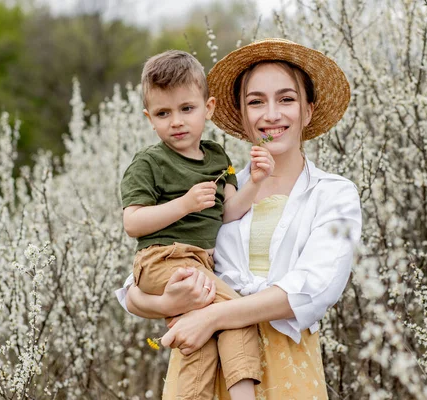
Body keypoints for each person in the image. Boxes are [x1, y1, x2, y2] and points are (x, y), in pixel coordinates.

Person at [116, 39, 362, 399]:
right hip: (203, 358)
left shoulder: (334, 194)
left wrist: (213, 315)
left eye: (287, 99)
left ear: (308, 111)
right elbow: (136, 286)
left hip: (286, 366)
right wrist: (167, 304)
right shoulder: (219, 185)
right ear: (242, 115)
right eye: (256, 102)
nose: (271, 114)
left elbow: (313, 288)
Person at [119, 50, 277, 400]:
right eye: (163, 113)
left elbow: (229, 212)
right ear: (149, 118)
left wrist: (256, 182)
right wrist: (184, 204)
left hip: (199, 264)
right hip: (164, 259)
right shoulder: (149, 163)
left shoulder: (219, 158)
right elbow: (133, 222)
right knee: (234, 313)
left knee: (199, 339)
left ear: (209, 108)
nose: (176, 121)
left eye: (186, 109)